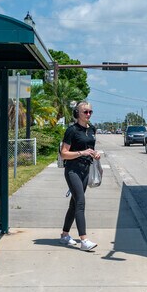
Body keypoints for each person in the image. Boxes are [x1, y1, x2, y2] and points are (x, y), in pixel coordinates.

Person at [59, 101, 101, 251]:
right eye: (85, 112)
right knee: (81, 202)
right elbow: (63, 153)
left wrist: (94, 154)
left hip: (85, 169)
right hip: (72, 170)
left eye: (90, 112)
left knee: (74, 203)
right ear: (78, 113)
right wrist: (81, 153)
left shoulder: (92, 129)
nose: (88, 114)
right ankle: (84, 240)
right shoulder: (72, 130)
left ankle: (64, 235)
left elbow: (91, 147)